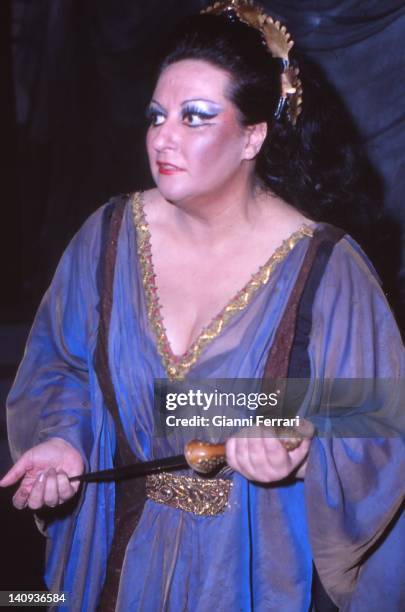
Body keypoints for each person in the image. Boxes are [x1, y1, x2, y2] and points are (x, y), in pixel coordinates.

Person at [1, 1, 404, 610]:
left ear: (253, 136)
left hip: (256, 571)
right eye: (157, 115)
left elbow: (380, 415)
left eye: (195, 117)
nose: (163, 136)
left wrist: (297, 443)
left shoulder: (328, 269)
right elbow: (63, 363)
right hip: (115, 555)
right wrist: (63, 438)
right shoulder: (107, 238)